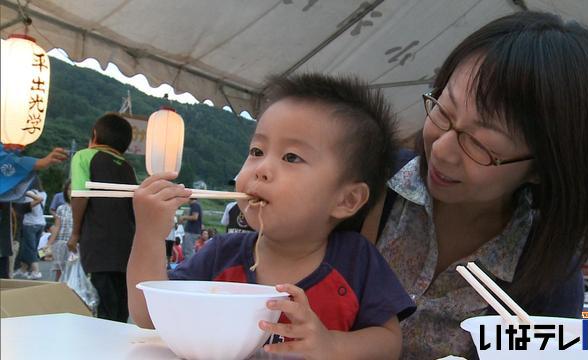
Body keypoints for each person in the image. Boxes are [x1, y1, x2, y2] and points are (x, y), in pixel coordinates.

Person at [361, 11, 588, 359]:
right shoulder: (366, 180)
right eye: (443, 111)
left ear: (543, 168)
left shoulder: (548, 277)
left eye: (481, 144)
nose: (441, 150)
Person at [128, 73, 416, 359]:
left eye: (291, 157)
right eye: (257, 150)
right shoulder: (220, 256)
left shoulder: (356, 261)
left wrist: (331, 345)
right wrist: (149, 233)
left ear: (347, 200)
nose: (261, 168)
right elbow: (147, 316)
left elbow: (389, 343)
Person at [69, 113, 137, 323]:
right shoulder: (127, 167)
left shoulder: (84, 156)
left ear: (95, 135)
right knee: (119, 308)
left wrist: (75, 232)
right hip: (126, 246)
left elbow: (80, 196)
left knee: (101, 307)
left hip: (98, 244)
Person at [0, 146, 67, 278]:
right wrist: (39, 163)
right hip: (35, 224)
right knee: (29, 249)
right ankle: (30, 269)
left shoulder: (20, 202)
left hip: (29, 226)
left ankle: (34, 270)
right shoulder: (40, 195)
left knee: (29, 249)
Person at [13, 177, 47, 280]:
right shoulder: (44, 194)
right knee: (29, 247)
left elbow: (26, 208)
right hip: (41, 223)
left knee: (30, 248)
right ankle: (23, 269)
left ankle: (36, 271)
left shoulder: (28, 194)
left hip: (30, 223)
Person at [46, 180, 73, 281]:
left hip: (76, 246)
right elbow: (57, 227)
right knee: (59, 271)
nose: (72, 192)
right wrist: (48, 246)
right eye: (70, 189)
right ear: (66, 191)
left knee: (74, 272)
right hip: (61, 244)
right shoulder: (61, 208)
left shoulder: (84, 208)